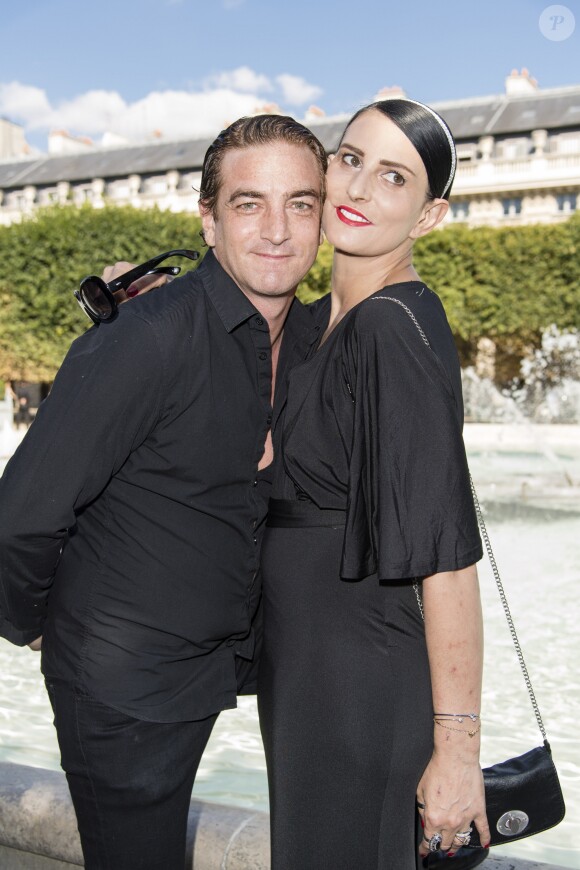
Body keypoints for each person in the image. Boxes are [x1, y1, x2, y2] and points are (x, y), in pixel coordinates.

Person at [0, 114, 326, 870]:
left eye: (299, 203)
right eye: (249, 204)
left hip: (206, 667)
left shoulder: (310, 339)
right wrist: (39, 626)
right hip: (121, 683)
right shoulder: (145, 337)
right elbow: (17, 515)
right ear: (209, 222)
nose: (277, 229)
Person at [257, 99, 491, 869]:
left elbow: (447, 553)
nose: (358, 188)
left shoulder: (393, 328)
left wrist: (457, 749)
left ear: (428, 216)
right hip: (308, 671)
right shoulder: (320, 320)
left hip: (363, 680)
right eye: (350, 159)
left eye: (394, 177)